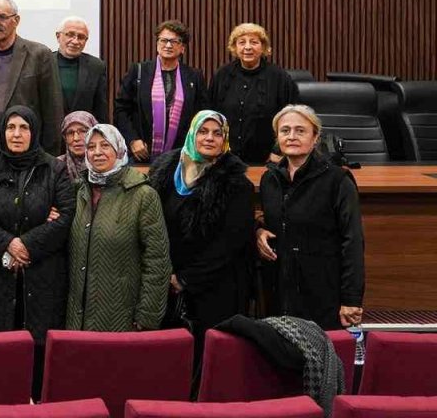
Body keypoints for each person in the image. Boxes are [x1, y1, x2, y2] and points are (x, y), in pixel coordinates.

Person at [147, 110, 252, 344]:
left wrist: (185, 278)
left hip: (215, 288)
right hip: (166, 285)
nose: (209, 138)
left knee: (209, 357)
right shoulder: (164, 171)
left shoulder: (236, 183)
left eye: (217, 133)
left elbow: (229, 244)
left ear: (224, 139)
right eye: (203, 131)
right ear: (192, 134)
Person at [0, 106, 74, 335]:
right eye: (10, 127)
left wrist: (27, 245)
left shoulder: (54, 169)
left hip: (42, 276)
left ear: (34, 132)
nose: (16, 134)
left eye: (24, 128)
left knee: (38, 353)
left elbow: (66, 216)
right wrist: (8, 244)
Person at [257, 105, 364, 329]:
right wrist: (257, 231)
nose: (292, 136)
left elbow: (352, 241)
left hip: (322, 293)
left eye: (300, 130)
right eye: (285, 131)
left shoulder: (337, 180)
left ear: (315, 137)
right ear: (277, 137)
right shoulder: (270, 179)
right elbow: (275, 221)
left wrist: (351, 299)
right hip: (280, 293)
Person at [65, 124, 170, 332]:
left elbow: (157, 261)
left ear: (120, 149)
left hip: (121, 318)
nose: (97, 152)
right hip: (76, 321)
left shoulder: (143, 195)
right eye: (91, 146)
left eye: (105, 145)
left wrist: (147, 317)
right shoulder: (77, 191)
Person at [0, 0, 65, 157]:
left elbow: (52, 110)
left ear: (16, 20)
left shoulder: (39, 54)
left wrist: (49, 158)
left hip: (26, 154)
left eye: (1, 17)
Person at [114, 20, 207, 163]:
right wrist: (132, 140)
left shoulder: (194, 76)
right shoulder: (139, 71)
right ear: (157, 44)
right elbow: (121, 109)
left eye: (174, 41)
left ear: (182, 48)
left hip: (182, 155)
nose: (168, 45)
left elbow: (201, 115)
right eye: (164, 40)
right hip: (141, 152)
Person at [207, 23, 299, 164]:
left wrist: (278, 152)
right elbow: (209, 115)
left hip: (266, 161)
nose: (248, 47)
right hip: (224, 159)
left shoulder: (279, 78)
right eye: (242, 42)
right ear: (234, 47)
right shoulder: (222, 75)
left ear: (263, 48)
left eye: (254, 42)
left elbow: (293, 118)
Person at [54, 16, 108, 123]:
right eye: (70, 35)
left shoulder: (96, 66)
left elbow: (100, 108)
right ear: (58, 36)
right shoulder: (44, 63)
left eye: (81, 37)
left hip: (83, 134)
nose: (75, 41)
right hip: (50, 134)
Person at [56, 111, 99, 184]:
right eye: (70, 133)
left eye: (83, 131)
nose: (76, 138)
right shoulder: (56, 167)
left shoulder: (105, 163)